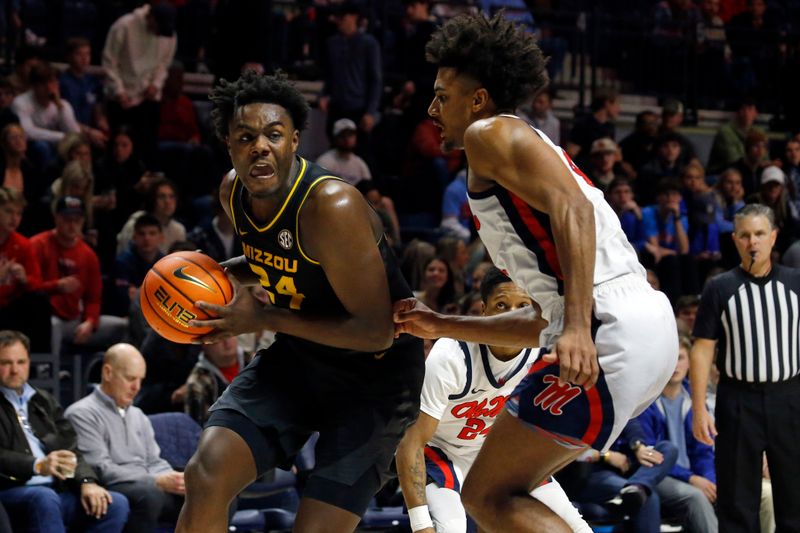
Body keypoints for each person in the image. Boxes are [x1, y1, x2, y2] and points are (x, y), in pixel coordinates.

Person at [394, 13, 677, 532]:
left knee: (487, 493)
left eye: (442, 95)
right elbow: (536, 325)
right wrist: (442, 325)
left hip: (606, 323)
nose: (432, 108)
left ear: (477, 99)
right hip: (640, 325)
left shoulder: (489, 133)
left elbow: (576, 207)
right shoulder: (519, 145)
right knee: (503, 491)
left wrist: (575, 326)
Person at [174, 71, 425, 532]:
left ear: (294, 140)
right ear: (228, 144)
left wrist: (263, 317)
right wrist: (212, 279)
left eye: (273, 135)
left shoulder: (332, 206)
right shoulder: (234, 192)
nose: (260, 147)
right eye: (245, 137)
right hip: (300, 357)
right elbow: (279, 258)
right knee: (205, 475)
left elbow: (376, 331)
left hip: (375, 379)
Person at [396, 268, 592, 533]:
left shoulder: (542, 353)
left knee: (577, 527)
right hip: (444, 453)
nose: (513, 314)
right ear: (484, 310)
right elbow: (412, 441)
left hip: (499, 453)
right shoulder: (451, 356)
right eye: (502, 305)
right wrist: (420, 525)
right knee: (450, 527)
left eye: (523, 306)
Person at [690, 203, 800, 533]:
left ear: (774, 237)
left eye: (760, 234)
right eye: (746, 235)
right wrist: (699, 408)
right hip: (737, 400)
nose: (753, 242)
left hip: (790, 397)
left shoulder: (796, 283)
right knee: (737, 501)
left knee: (794, 496)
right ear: (735, 239)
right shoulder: (719, 287)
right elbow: (701, 350)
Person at [0, 330, 130, 533]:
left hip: (54, 491)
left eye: (21, 362)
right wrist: (37, 465)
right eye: (6, 363)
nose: (15, 370)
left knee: (115, 503)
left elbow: (70, 447)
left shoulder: (42, 400)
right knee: (44, 498)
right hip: (12, 491)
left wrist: (87, 481)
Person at [66, 343, 185, 533]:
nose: (136, 387)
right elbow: (100, 468)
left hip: (149, 484)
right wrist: (156, 480)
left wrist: (176, 479)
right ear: (107, 373)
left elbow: (154, 461)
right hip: (116, 486)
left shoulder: (138, 415)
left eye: (140, 380)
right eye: (130, 379)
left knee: (210, 492)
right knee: (149, 494)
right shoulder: (81, 413)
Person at [30, 196, 128, 358]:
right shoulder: (37, 245)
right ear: (56, 218)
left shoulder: (88, 255)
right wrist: (56, 286)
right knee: (52, 326)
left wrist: (90, 321)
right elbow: (29, 288)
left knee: (123, 327)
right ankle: (48, 376)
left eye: (77, 219)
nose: (72, 224)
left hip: (75, 320)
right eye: (67, 219)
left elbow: (93, 298)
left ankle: (120, 374)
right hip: (46, 319)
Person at [638, 338, 718, 533]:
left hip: (692, 477)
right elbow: (651, 456)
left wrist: (709, 481)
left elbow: (704, 451)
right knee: (695, 497)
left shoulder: (696, 400)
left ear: (689, 361)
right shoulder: (645, 401)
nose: (675, 365)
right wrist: (691, 479)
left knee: (728, 493)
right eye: (670, 359)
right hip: (658, 475)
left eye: (680, 358)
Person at [183, 336, 245, 425]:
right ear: (205, 346)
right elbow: (198, 429)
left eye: (230, 334)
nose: (226, 341)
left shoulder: (256, 361)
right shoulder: (197, 382)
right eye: (218, 340)